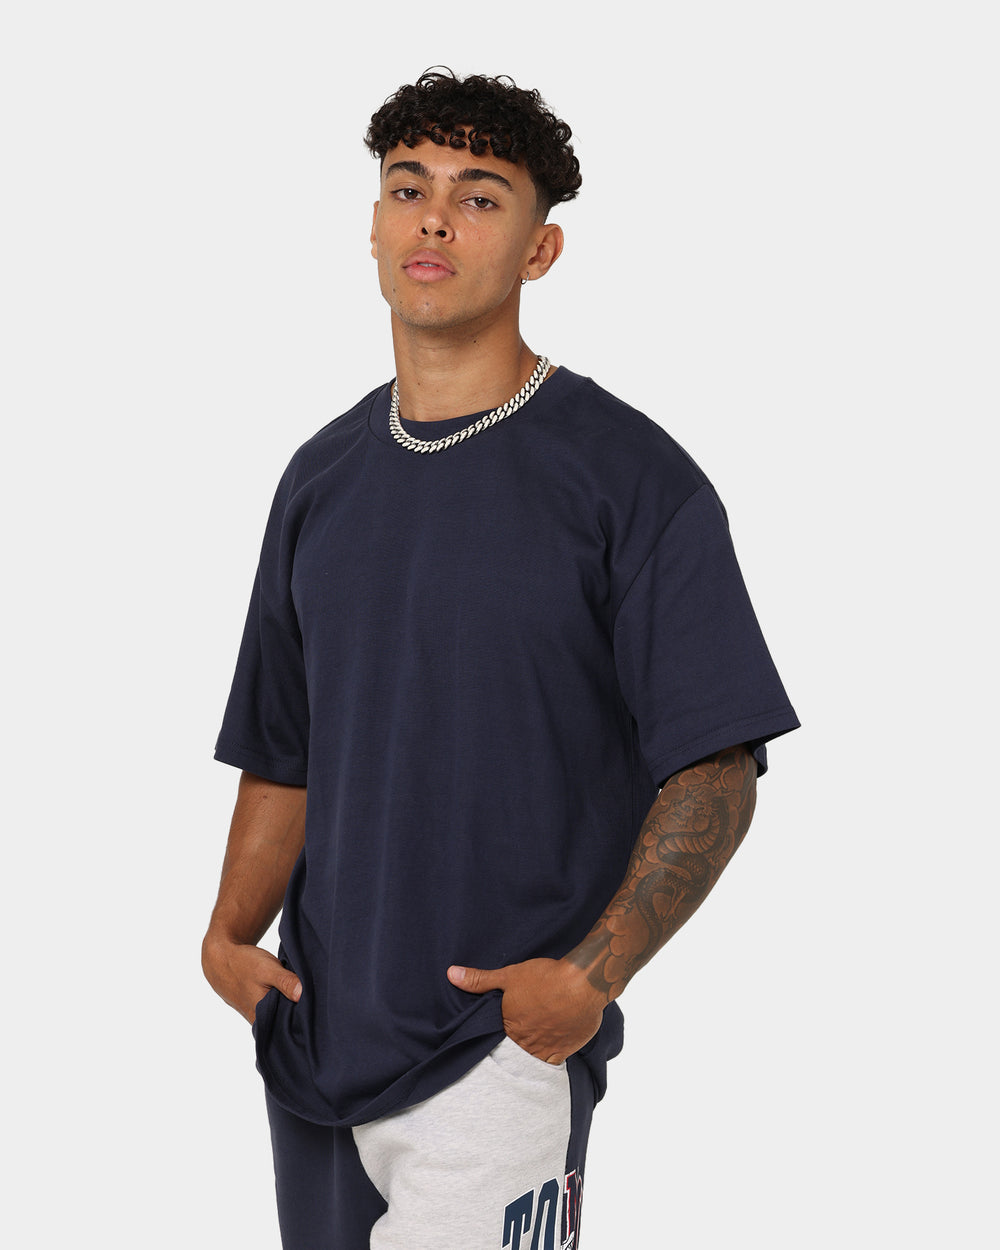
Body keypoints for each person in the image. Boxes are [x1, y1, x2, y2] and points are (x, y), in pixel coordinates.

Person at [202, 68, 800, 1250]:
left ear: (540, 249)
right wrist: (227, 934)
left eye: (478, 197)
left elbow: (715, 764)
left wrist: (588, 976)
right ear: (374, 225)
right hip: (316, 1041)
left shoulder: (628, 477)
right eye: (407, 188)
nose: (433, 218)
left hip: (495, 1046)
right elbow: (285, 748)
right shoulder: (320, 477)